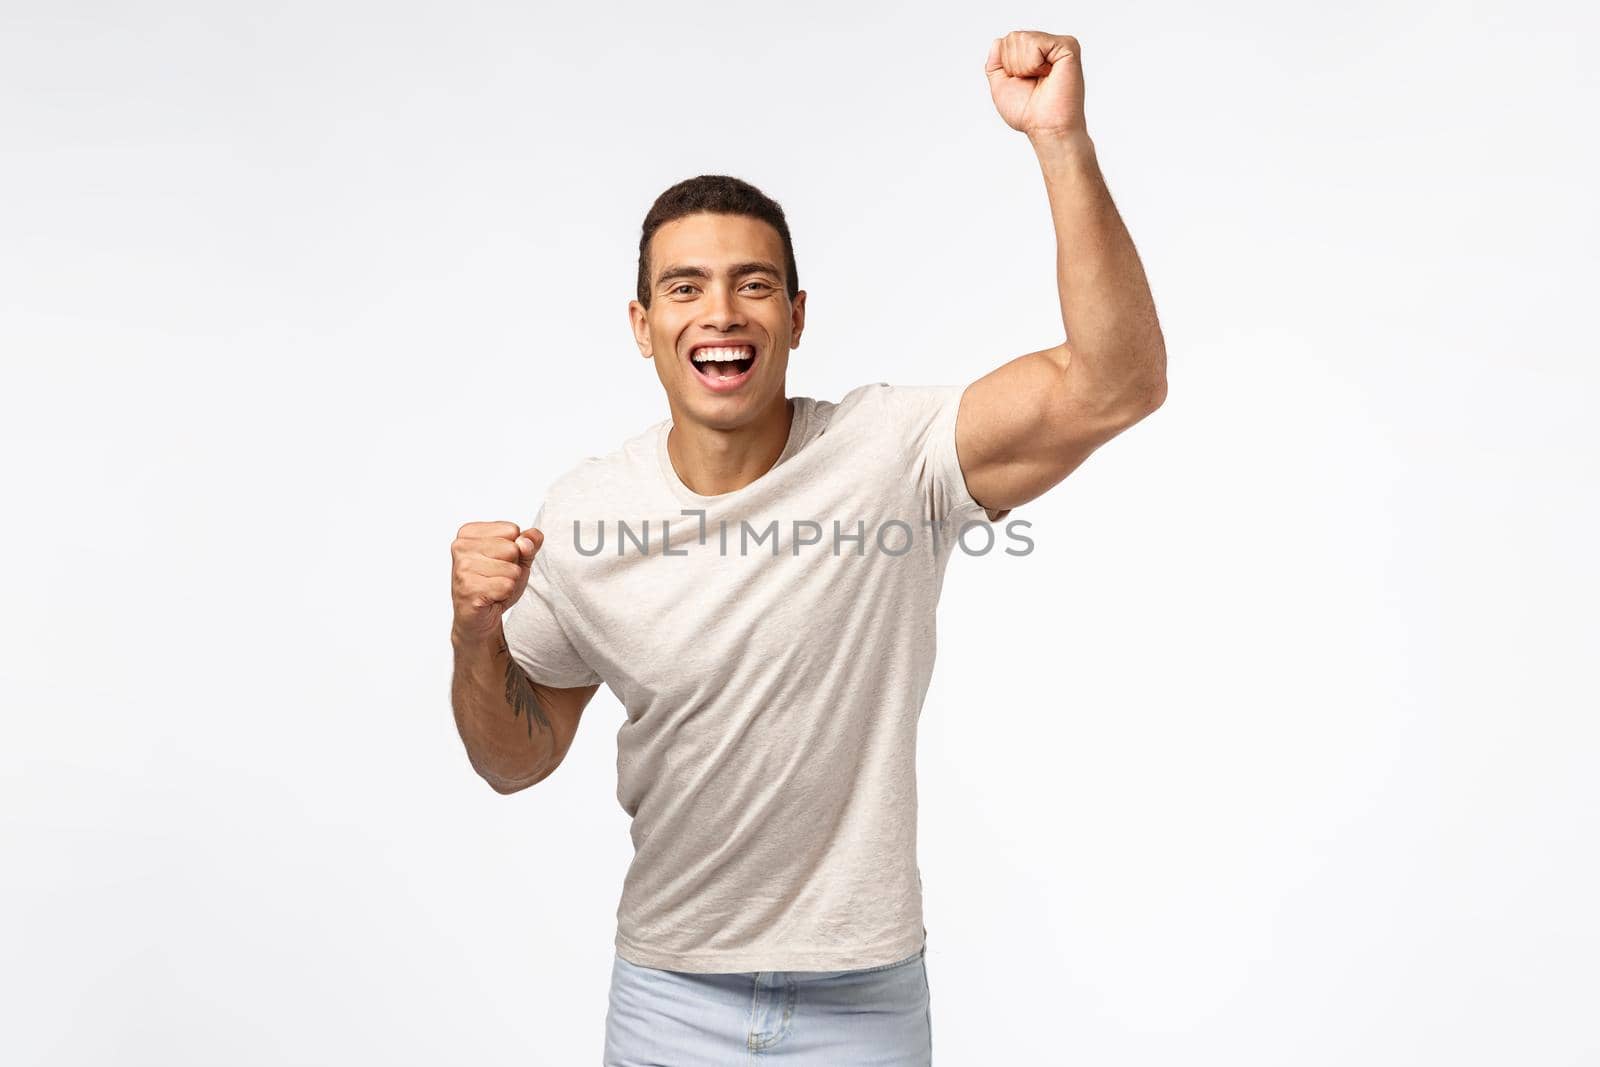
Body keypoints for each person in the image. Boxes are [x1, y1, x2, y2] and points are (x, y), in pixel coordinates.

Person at [448, 30, 1166, 1065]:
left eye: (751, 284)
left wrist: (1060, 141)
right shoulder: (582, 513)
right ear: (643, 325)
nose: (721, 311)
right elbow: (514, 760)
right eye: (685, 288)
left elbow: (1117, 383)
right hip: (668, 996)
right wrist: (476, 629)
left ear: (793, 315)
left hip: (861, 999)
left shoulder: (892, 455)